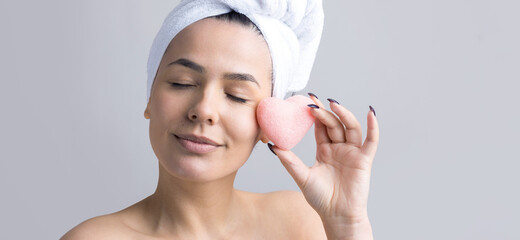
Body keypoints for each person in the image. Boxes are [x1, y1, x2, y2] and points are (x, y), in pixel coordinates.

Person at [61, 3, 379, 240]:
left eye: (237, 95)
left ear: (268, 122)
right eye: (182, 83)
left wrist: (347, 224)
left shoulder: (303, 222)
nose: (204, 109)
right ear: (149, 97)